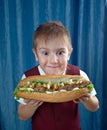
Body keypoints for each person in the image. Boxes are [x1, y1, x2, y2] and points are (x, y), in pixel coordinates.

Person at [17, 21, 99, 130]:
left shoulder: (79, 75)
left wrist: (87, 99)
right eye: (45, 53)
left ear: (69, 53)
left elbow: (95, 107)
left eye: (60, 53)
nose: (53, 61)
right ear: (36, 54)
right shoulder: (28, 78)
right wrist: (30, 106)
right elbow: (22, 116)